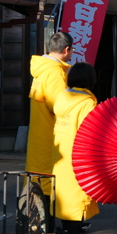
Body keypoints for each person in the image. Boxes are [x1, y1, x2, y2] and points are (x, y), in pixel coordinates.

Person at [52, 62, 99, 234]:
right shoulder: (87, 102)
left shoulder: (62, 97)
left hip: (62, 152)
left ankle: (77, 232)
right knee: (79, 193)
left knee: (67, 194)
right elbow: (91, 131)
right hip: (80, 154)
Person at [27, 31, 73, 182]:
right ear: (66, 50)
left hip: (39, 132)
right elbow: (59, 107)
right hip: (51, 135)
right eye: (72, 50)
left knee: (37, 179)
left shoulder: (42, 69)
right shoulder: (55, 72)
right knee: (48, 181)